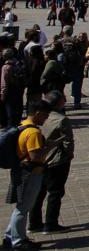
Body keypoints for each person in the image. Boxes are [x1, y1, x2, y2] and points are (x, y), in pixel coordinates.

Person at [4, 99, 51, 249]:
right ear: (37, 113)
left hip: (20, 171)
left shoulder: (22, 126)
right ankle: (18, 242)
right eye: (45, 115)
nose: (46, 118)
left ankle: (9, 237)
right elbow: (36, 157)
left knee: (21, 207)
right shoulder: (33, 133)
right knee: (23, 208)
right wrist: (49, 147)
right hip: (31, 173)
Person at [28, 90, 72, 234]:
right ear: (59, 103)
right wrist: (69, 156)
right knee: (55, 192)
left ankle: (34, 223)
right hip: (56, 160)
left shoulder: (39, 118)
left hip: (40, 160)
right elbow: (67, 142)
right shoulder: (61, 119)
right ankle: (51, 224)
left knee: (39, 192)